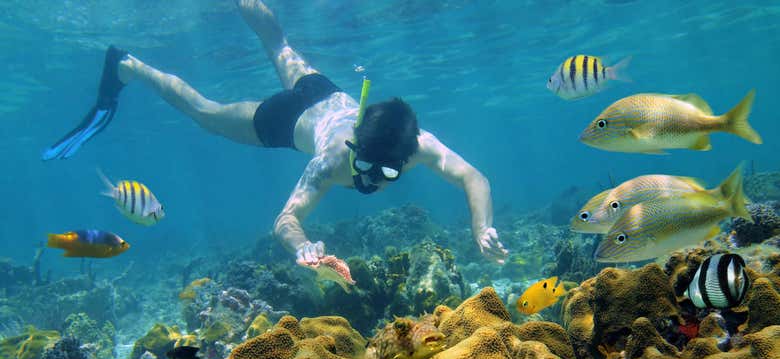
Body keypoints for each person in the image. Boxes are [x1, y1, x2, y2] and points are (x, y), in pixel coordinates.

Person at [43, 0, 508, 270]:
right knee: (204, 112)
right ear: (354, 145)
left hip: (323, 91)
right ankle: (128, 66)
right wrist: (301, 246)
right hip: (286, 121)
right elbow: (286, 219)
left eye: (388, 171)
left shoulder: (417, 145)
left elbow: (474, 178)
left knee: (279, 43)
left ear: (408, 155)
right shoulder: (331, 158)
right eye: (365, 165)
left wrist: (481, 226)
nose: (374, 180)